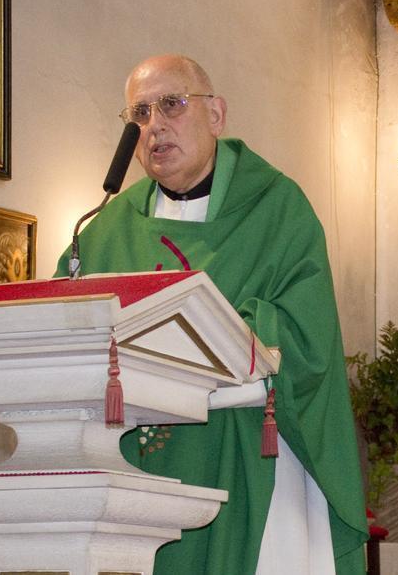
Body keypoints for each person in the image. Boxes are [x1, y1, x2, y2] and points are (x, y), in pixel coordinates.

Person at [54, 54, 368, 573]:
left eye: (172, 105)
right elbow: (61, 325)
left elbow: (309, 339)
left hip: (244, 450)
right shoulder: (105, 229)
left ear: (216, 115)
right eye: (139, 114)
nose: (155, 126)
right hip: (133, 467)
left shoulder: (278, 208)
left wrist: (233, 327)